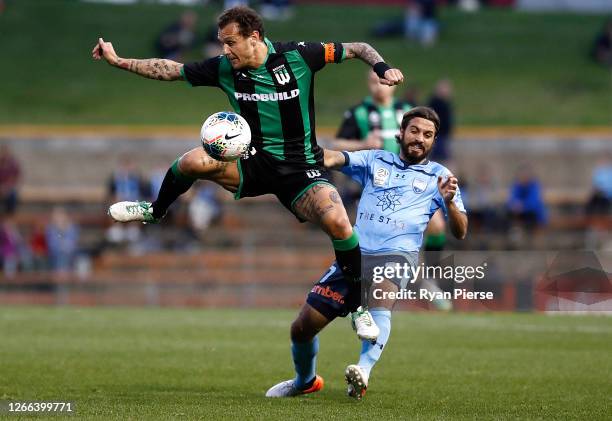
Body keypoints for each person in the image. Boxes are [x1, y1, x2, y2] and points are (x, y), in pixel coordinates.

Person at [92, 6, 404, 323]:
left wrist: (382, 67)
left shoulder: (300, 55)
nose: (224, 50)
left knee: (339, 223)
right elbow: (172, 70)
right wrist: (119, 62)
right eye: (221, 43)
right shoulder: (225, 68)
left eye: (230, 42)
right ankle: (155, 211)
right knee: (191, 161)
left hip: (301, 169)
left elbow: (359, 48)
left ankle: (358, 305)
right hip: (252, 163)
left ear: (253, 37)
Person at [266, 106, 468, 399]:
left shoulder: (440, 177)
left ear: (434, 141)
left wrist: (449, 202)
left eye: (427, 135)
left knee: (380, 302)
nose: (419, 139)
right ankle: (305, 381)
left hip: (397, 256)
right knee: (302, 328)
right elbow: (333, 157)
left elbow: (461, 231)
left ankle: (363, 370)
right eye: (414, 131)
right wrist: (292, 150)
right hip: (354, 257)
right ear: (401, 133)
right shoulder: (376, 160)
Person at [333, 70, 412, 153]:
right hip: (370, 165)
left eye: (384, 81)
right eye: (374, 82)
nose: (379, 86)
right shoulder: (358, 112)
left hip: (404, 165)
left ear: (394, 83)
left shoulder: (407, 109)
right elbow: (337, 144)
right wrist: (363, 144)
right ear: (368, 84)